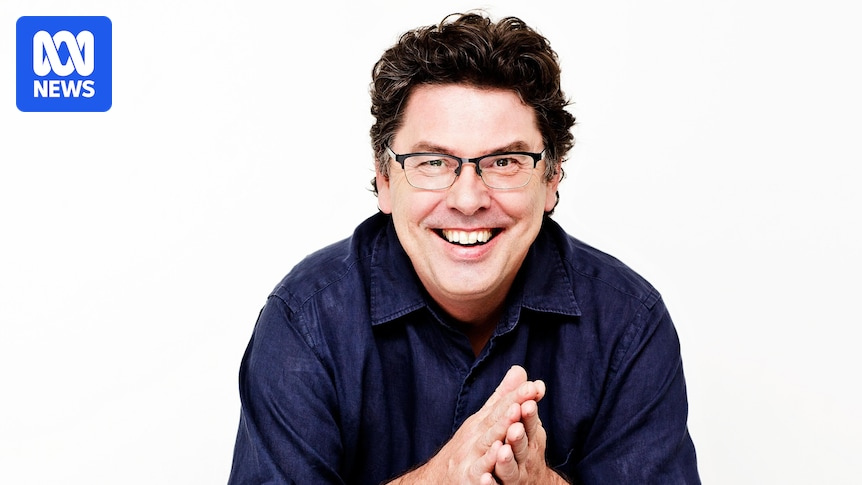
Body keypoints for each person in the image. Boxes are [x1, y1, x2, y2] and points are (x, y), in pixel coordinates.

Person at [228, 11, 699, 485]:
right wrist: (437, 479)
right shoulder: (306, 321)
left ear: (551, 179)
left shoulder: (629, 323)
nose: (469, 199)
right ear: (387, 179)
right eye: (433, 161)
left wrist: (540, 483)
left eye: (505, 161)